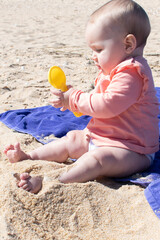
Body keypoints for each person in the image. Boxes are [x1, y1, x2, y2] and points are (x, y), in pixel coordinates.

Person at [4, 0, 159, 194]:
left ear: (128, 44)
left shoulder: (133, 74)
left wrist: (75, 99)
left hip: (132, 150)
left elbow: (107, 105)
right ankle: (29, 157)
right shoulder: (113, 70)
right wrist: (69, 101)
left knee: (96, 160)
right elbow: (96, 98)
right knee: (71, 140)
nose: (93, 56)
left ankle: (52, 180)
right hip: (102, 136)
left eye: (99, 50)